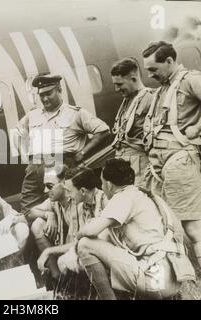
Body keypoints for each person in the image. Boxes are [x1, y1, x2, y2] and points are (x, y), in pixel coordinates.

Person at [75, 159, 195, 300]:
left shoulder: (123, 197)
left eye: (101, 183)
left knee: (85, 244)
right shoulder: (143, 195)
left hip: (156, 280)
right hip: (173, 277)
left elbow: (90, 232)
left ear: (108, 184)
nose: (101, 187)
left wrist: (78, 236)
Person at [15, 74, 110, 216]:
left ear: (59, 90)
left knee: (67, 210)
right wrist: (27, 157)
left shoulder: (76, 113)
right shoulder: (33, 115)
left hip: (61, 167)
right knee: (28, 211)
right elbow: (17, 132)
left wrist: (82, 154)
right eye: (41, 95)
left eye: (49, 93)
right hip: (35, 168)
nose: (45, 99)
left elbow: (103, 131)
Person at [142, 41, 201, 268]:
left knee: (194, 228)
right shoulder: (164, 89)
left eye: (153, 69)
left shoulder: (190, 80)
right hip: (161, 167)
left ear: (169, 61)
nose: (150, 75)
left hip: (179, 161)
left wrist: (198, 128)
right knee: (169, 225)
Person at [110, 58, 153, 187]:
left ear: (133, 79)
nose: (117, 89)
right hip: (125, 168)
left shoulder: (150, 98)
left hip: (140, 171)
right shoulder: (128, 100)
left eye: (120, 84)